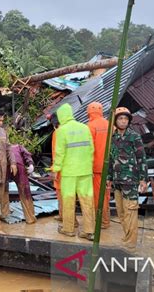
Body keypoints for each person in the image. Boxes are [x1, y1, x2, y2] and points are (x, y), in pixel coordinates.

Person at [51, 103, 95, 241]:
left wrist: (55, 169)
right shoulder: (85, 128)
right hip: (85, 170)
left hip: (69, 172)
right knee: (87, 200)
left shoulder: (61, 131)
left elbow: (59, 153)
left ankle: (68, 229)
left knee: (68, 200)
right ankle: (89, 231)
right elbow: (91, 150)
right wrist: (89, 166)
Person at [107, 107, 148, 251]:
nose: (123, 121)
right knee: (121, 211)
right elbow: (111, 159)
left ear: (129, 121)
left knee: (130, 211)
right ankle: (127, 236)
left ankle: (131, 242)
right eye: (120, 119)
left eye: (125, 119)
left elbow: (141, 158)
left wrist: (143, 179)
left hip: (130, 180)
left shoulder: (134, 136)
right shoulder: (113, 138)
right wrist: (109, 178)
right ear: (116, 121)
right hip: (117, 181)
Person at [87, 102, 111, 229]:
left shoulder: (90, 126)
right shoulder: (110, 124)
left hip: (96, 167)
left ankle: (103, 221)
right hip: (108, 167)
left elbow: (89, 150)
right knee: (106, 193)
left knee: (98, 195)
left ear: (89, 112)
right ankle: (106, 219)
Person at [10, 144, 37, 224]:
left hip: (5, 166)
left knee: (1, 191)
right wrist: (30, 164)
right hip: (19, 165)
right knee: (25, 192)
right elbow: (27, 154)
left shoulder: (2, 146)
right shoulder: (18, 146)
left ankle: (4, 213)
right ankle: (30, 218)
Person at [49, 113, 63, 222]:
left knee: (61, 193)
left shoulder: (57, 133)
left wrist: (54, 170)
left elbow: (56, 153)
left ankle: (64, 216)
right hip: (75, 169)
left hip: (62, 170)